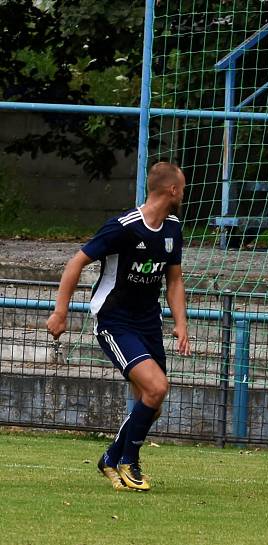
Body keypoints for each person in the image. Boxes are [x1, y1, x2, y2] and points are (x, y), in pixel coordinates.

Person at [46, 162, 191, 492]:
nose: (184, 193)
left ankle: (111, 458)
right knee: (156, 388)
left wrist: (181, 323)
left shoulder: (172, 229)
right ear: (171, 191)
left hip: (148, 323)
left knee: (150, 405)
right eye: (182, 187)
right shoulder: (123, 227)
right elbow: (76, 262)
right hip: (114, 320)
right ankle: (130, 461)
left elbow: (174, 280)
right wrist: (60, 312)